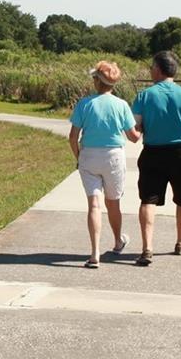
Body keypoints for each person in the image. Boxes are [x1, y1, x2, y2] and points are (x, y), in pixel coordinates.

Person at [131, 50, 181, 265]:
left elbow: (135, 130)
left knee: (148, 200)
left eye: (151, 67)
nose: (150, 70)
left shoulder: (144, 96)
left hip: (153, 153)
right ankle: (180, 242)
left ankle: (147, 248)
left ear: (158, 69)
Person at [68, 61, 141, 268]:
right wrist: (142, 127)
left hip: (89, 156)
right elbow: (134, 137)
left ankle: (94, 254)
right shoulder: (121, 105)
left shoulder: (84, 104)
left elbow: (73, 136)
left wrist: (78, 156)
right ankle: (118, 241)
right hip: (113, 157)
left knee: (94, 204)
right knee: (113, 202)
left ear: (97, 81)